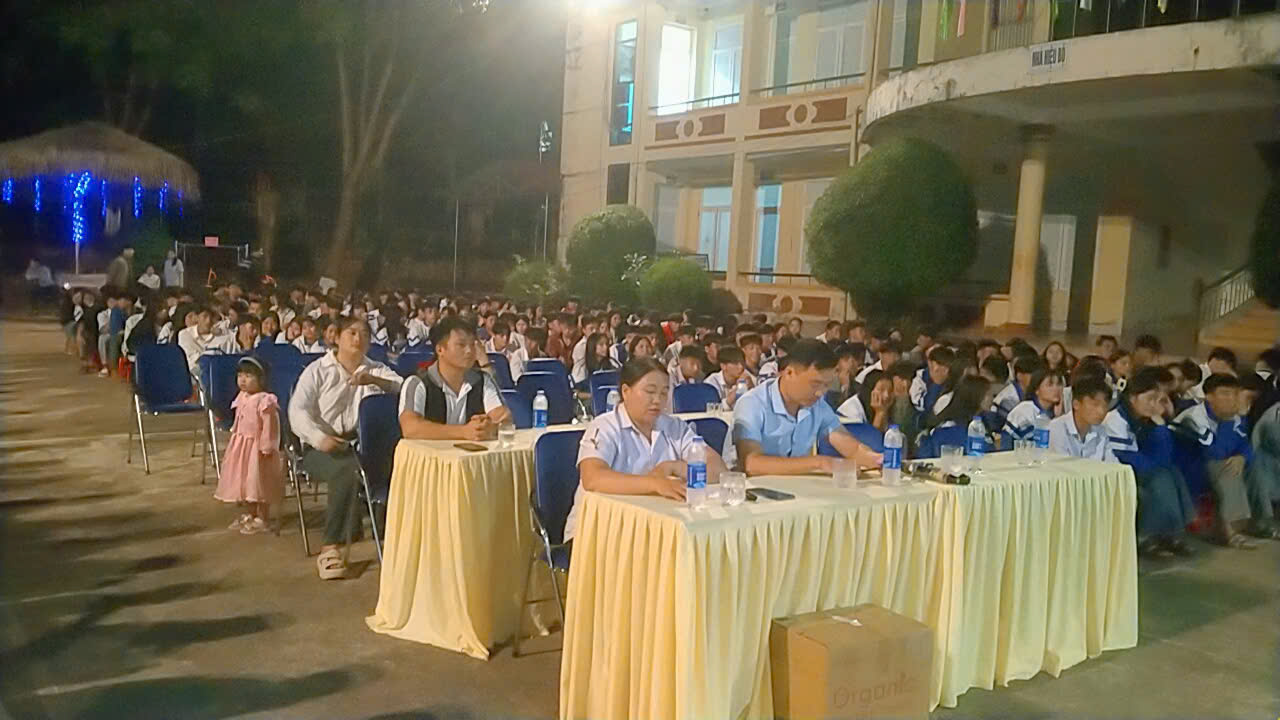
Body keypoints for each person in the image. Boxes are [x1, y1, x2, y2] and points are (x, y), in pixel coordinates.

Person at [566, 357, 730, 542]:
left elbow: (718, 470)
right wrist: (655, 484)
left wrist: (674, 467)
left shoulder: (675, 427)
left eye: (664, 393)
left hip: (654, 530)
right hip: (598, 533)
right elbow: (593, 478)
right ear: (626, 391)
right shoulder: (604, 427)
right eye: (650, 391)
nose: (657, 400)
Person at [289, 316, 403, 579]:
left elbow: (404, 386)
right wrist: (320, 438)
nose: (358, 339)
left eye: (364, 334)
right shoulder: (317, 371)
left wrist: (376, 381)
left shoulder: (374, 368)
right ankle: (331, 547)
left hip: (362, 445)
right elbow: (297, 411)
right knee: (348, 470)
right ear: (336, 337)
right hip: (322, 446)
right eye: (351, 332)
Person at [733, 339, 882, 475]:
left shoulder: (817, 405)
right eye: (815, 384)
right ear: (789, 373)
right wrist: (819, 463)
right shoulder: (752, 404)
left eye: (827, 385)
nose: (820, 392)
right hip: (757, 490)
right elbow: (751, 464)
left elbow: (850, 446)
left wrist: (879, 460)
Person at [1105, 367, 1196, 556]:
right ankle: (1148, 537)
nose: (1153, 405)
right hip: (1116, 471)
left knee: (1172, 472)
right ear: (1133, 398)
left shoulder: (1145, 420)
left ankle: (1171, 534)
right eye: (1150, 399)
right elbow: (1126, 457)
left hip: (1138, 468)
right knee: (1160, 478)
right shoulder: (1115, 419)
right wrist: (1154, 465)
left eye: (1157, 400)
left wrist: (1161, 426)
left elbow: (1165, 457)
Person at [1174, 374, 1263, 549]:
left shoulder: (1234, 417)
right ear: (1209, 396)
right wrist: (1229, 422)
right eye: (1225, 393)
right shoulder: (1193, 418)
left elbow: (1245, 445)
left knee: (1253, 464)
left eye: (1234, 394)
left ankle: (1259, 521)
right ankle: (1231, 532)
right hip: (1186, 470)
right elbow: (1214, 452)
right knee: (1227, 468)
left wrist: (1242, 457)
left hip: (1209, 467)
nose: (1231, 399)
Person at [399, 316, 509, 440]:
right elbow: (410, 428)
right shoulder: (417, 383)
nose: (469, 351)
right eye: (461, 345)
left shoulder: (483, 381)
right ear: (440, 349)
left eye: (472, 345)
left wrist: (491, 427)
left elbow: (503, 416)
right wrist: (463, 432)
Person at [215, 357, 285, 536]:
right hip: (242, 446)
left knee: (258, 483)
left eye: (248, 376)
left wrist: (267, 446)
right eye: (240, 375)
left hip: (257, 448)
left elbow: (270, 426)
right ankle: (251, 514)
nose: (243, 380)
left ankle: (262, 517)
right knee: (245, 482)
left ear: (261, 378)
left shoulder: (265, 401)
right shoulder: (242, 397)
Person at [1048, 376, 1116, 462]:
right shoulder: (1057, 428)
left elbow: (1112, 464)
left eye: (1105, 406)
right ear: (1076, 404)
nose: (1101, 411)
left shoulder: (1101, 431)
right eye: (1095, 404)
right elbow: (1060, 465)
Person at [1004, 368, 1064, 440]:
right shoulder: (1024, 410)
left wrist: (1058, 418)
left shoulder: (1062, 411)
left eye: (1059, 384)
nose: (1056, 389)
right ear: (1037, 390)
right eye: (1050, 385)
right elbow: (1006, 439)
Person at [177, 306, 231, 372]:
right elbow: (190, 360)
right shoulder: (185, 334)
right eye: (205, 317)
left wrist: (220, 336)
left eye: (211, 317)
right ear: (196, 318)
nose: (208, 321)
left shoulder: (221, 335)